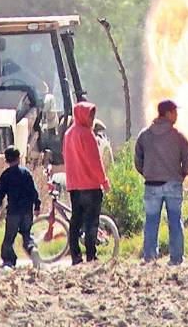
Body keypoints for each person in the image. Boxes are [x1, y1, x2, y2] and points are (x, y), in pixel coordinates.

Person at [134, 99, 188, 265]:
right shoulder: (178, 137)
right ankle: (176, 259)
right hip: (173, 185)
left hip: (151, 185)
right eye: (175, 112)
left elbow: (138, 161)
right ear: (168, 114)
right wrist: (181, 174)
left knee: (151, 222)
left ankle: (149, 258)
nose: (176, 115)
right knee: (175, 221)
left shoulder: (144, 135)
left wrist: (148, 174)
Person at [63, 100, 111, 264]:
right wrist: (104, 181)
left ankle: (75, 256)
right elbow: (95, 161)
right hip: (90, 186)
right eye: (90, 116)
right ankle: (91, 255)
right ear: (83, 116)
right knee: (91, 222)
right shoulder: (87, 134)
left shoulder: (68, 134)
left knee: (75, 221)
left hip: (74, 186)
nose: (92, 119)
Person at [0, 145, 42, 268]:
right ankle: (32, 249)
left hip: (13, 211)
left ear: (7, 160)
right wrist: (37, 205)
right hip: (27, 211)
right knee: (26, 234)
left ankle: (9, 261)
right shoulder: (26, 173)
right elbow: (33, 191)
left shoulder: (6, 175)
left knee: (9, 238)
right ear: (19, 158)